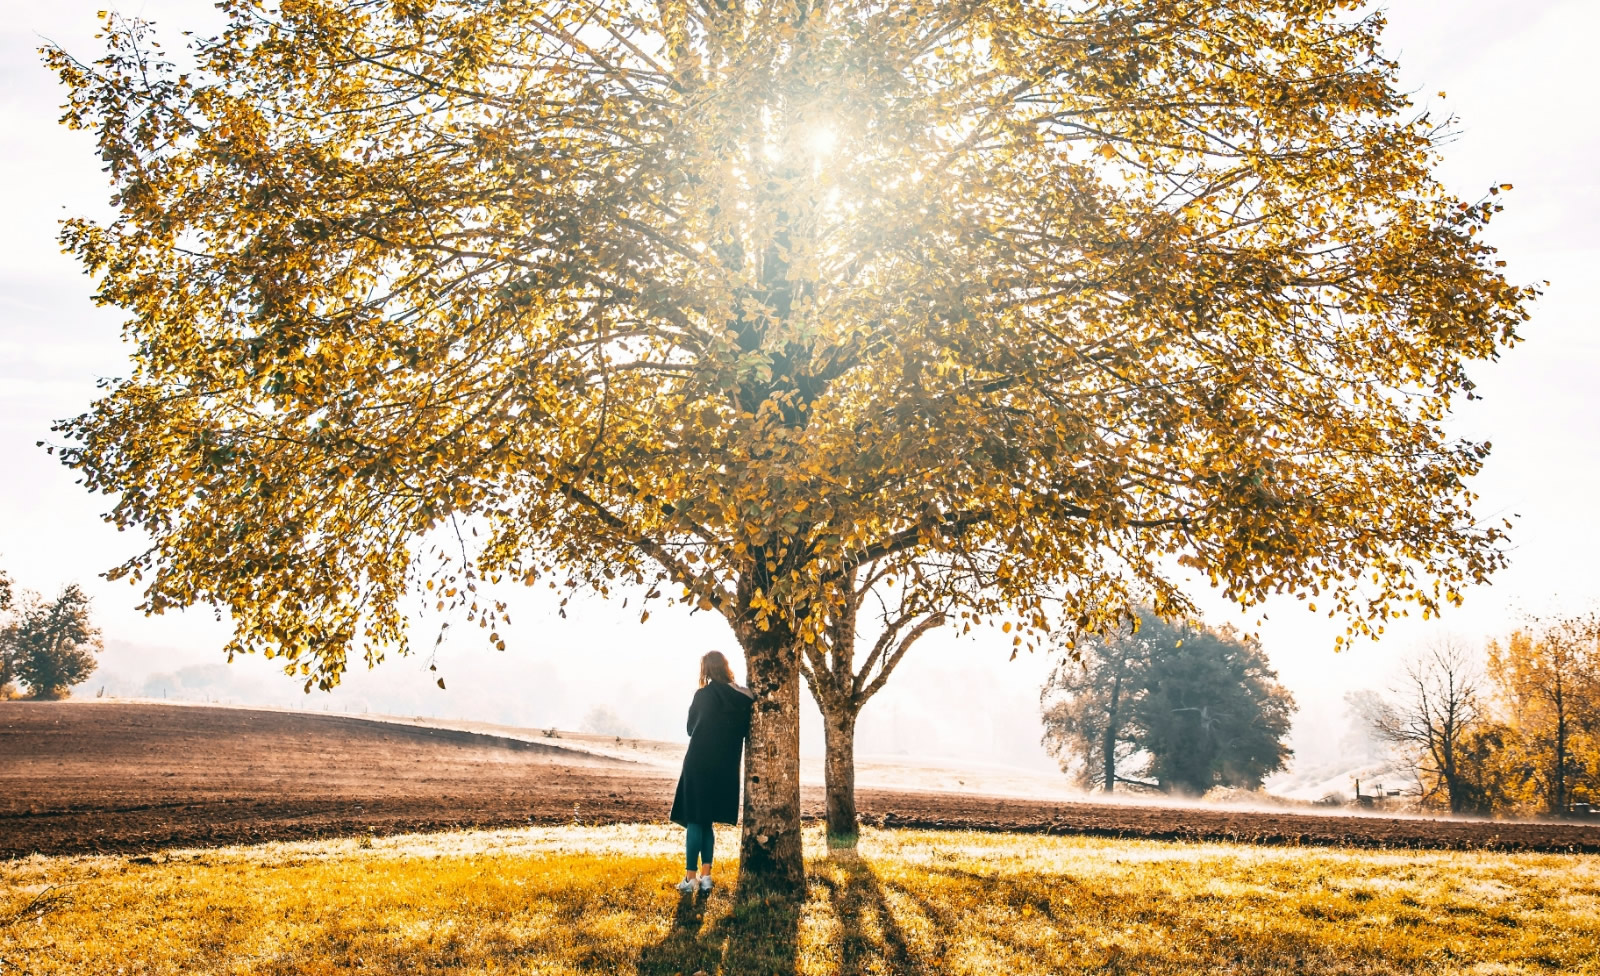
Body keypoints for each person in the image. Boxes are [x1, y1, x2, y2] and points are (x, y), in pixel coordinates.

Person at [669, 650, 753, 894]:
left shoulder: (703, 695)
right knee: (706, 822)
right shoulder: (745, 696)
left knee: (695, 818)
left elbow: (689, 728)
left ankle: (690, 878)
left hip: (699, 761)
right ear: (726, 667)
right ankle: (706, 877)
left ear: (706, 670)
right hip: (726, 765)